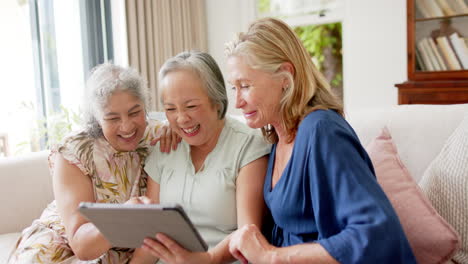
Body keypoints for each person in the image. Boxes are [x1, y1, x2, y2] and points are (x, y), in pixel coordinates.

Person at [224, 17, 417, 264]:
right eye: (234, 88)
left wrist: (271, 257)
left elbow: (376, 234)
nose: (238, 102)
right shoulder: (277, 139)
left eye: (245, 85)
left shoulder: (322, 131)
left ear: (285, 76)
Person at [8, 63, 177, 263]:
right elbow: (81, 244)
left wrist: (173, 127)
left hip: (125, 246)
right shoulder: (75, 151)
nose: (127, 126)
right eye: (113, 118)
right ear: (97, 119)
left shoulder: (158, 137)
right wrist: (124, 217)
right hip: (68, 241)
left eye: (134, 112)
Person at [139, 51, 271, 264]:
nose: (181, 118)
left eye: (191, 106)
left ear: (217, 101)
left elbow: (248, 234)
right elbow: (153, 238)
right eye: (170, 109)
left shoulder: (248, 145)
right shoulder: (164, 147)